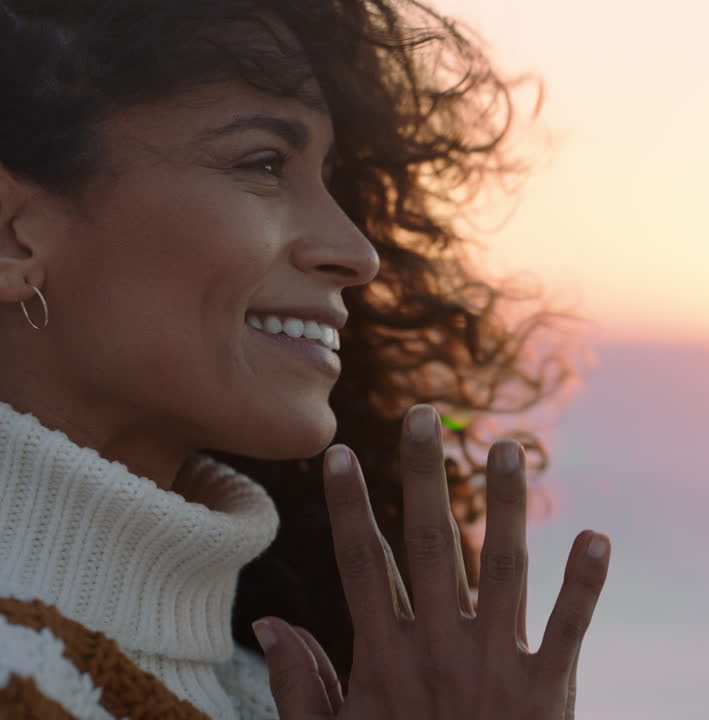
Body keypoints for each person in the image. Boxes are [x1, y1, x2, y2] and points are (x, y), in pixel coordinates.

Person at [0, 0, 610, 717]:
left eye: (332, 179)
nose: (358, 253)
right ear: (14, 238)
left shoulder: (268, 693)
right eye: (263, 163)